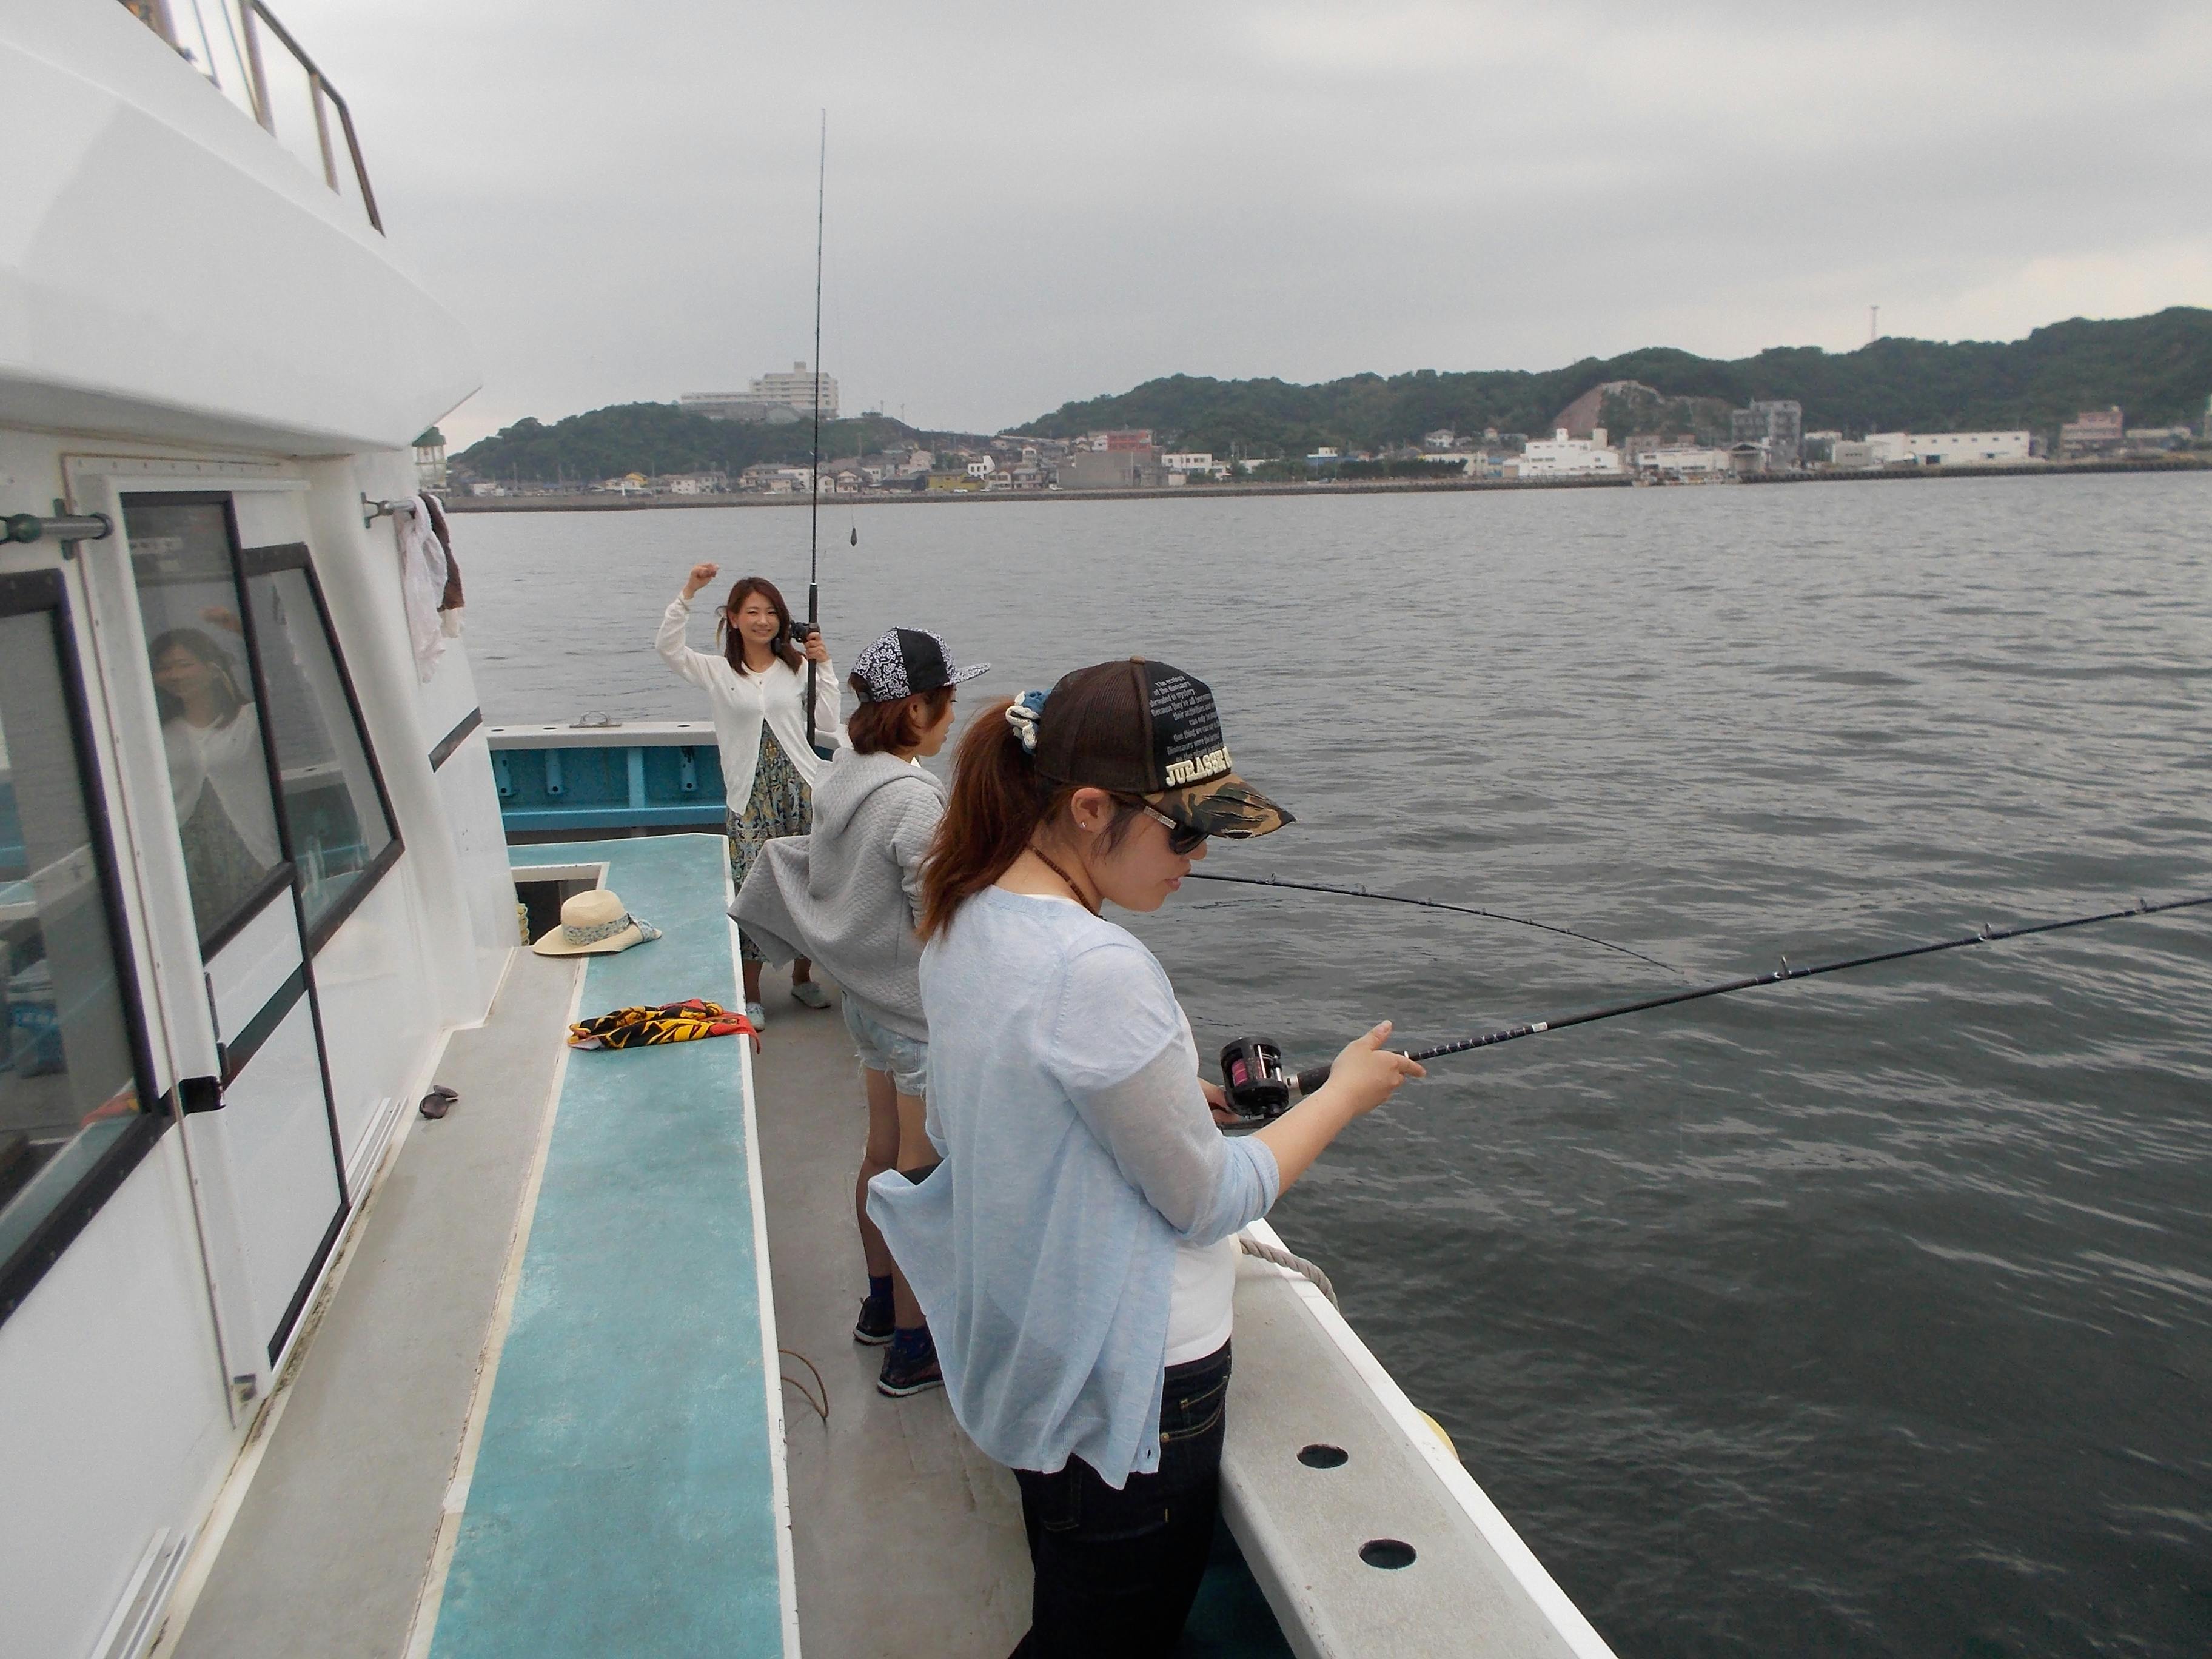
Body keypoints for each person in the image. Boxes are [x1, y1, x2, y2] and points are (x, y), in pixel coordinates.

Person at [869, 657, 1423, 1657]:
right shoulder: (1099, 966)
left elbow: (986, 1116)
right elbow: (1210, 1202)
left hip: (1039, 1349)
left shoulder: (962, 914)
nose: (1198, 857)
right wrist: (1343, 1094)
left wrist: (1161, 1104)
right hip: (1133, 1389)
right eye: (1186, 829)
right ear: (1089, 808)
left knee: (1070, 1601)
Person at [732, 627, 988, 1397]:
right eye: (945, 701)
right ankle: (914, 1346)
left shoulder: (847, 773)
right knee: (918, 1176)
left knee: (880, 1156)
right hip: (912, 1019)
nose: (953, 714)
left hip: (867, 1008)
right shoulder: (914, 800)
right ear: (914, 710)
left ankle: (880, 1307)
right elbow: (934, 921)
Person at [657, 563, 841, 1028]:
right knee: (753, 892)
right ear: (734, 619)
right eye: (752, 612)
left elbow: (828, 719)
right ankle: (753, 993)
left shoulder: (796, 667)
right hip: (749, 798)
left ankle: (803, 978)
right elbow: (669, 647)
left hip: (801, 790)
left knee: (810, 887)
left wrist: (824, 662)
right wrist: (688, 593)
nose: (764, 621)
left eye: (771, 612)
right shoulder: (717, 672)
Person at [150, 623, 282, 934]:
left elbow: (269, 672)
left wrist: (238, 627)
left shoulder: (248, 720)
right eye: (165, 669)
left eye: (185, 665)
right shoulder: (158, 734)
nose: (176, 675)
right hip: (187, 859)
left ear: (212, 669)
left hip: (252, 849)